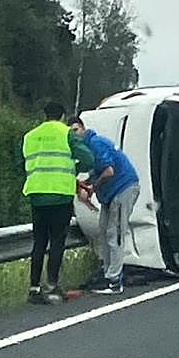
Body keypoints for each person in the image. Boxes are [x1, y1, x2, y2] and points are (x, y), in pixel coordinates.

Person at [21, 102, 94, 304]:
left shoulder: (30, 136)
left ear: (44, 115)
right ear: (62, 116)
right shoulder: (66, 133)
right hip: (60, 195)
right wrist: (74, 167)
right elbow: (88, 159)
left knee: (39, 242)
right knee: (57, 242)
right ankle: (52, 286)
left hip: (37, 194)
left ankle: (34, 289)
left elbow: (23, 163)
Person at [69, 117, 140, 294]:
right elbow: (98, 170)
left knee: (114, 233)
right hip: (110, 193)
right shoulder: (86, 147)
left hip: (123, 188)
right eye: (71, 132)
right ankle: (108, 273)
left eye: (76, 129)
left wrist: (93, 186)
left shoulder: (95, 143)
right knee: (103, 230)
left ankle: (115, 281)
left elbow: (109, 171)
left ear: (83, 128)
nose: (74, 134)